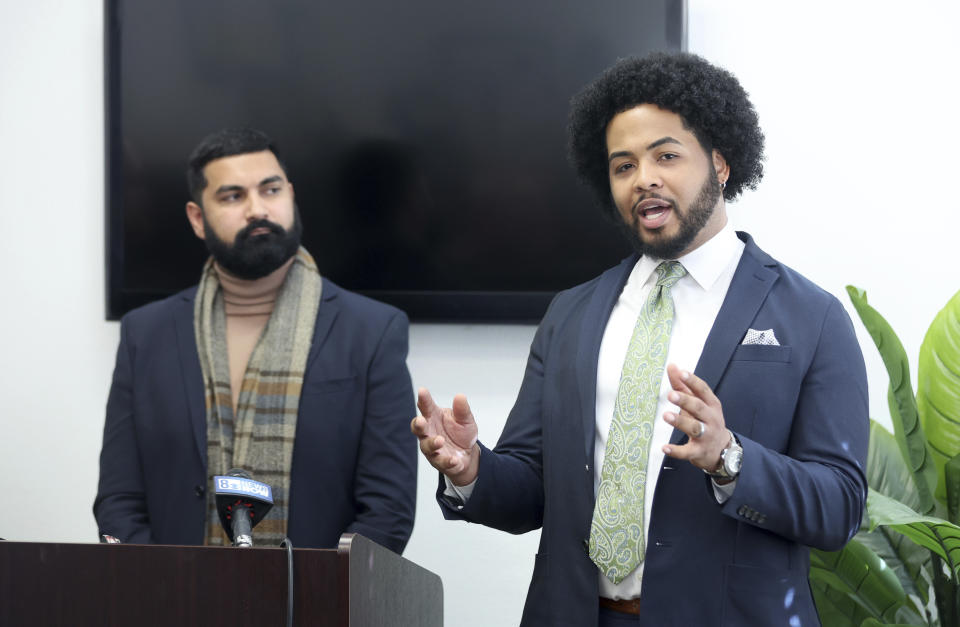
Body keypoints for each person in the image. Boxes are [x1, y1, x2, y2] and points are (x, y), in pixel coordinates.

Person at [412, 52, 868, 626]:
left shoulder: (812, 317)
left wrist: (730, 459)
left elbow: (840, 508)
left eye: (667, 156)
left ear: (721, 163)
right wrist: (470, 468)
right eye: (622, 165)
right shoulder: (571, 314)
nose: (644, 178)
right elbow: (533, 489)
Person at [95, 128, 417, 553]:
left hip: (318, 605)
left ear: (291, 195)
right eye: (232, 196)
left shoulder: (372, 331)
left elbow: (388, 508)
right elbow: (120, 498)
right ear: (197, 218)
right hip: (174, 600)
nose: (257, 209)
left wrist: (324, 594)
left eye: (270, 190)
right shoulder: (146, 334)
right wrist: (163, 592)